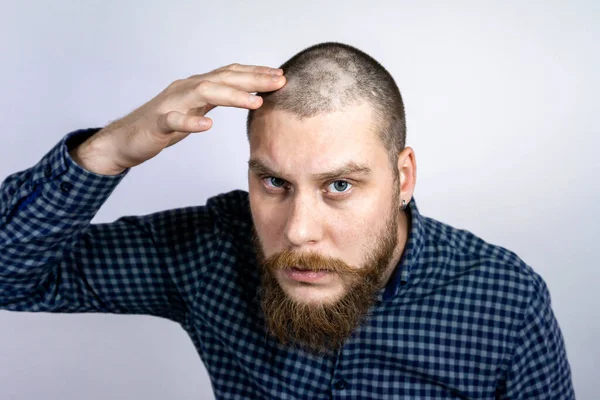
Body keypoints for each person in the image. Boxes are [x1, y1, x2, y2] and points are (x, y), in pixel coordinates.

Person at [0, 42, 574, 399]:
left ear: (403, 177)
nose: (299, 231)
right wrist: (111, 150)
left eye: (340, 185)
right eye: (275, 182)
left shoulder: (505, 300)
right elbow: (10, 275)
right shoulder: (212, 250)